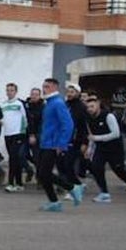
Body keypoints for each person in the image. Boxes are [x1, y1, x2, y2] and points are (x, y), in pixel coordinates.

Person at [36, 78, 84, 213]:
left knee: (44, 173)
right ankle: (54, 201)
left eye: (47, 86)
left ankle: (72, 187)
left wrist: (61, 144)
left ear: (54, 88)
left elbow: (68, 125)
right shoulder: (49, 103)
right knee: (41, 174)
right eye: (43, 86)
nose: (44, 89)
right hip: (46, 143)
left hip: (53, 144)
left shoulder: (57, 103)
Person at [82, 94, 126, 202]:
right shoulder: (89, 119)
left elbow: (115, 133)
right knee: (96, 167)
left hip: (115, 149)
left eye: (92, 106)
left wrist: (97, 138)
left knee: (119, 170)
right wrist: (89, 149)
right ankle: (104, 193)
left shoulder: (108, 116)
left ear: (98, 105)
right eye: (88, 107)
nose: (90, 109)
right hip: (101, 148)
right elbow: (91, 135)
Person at [0, 83, 28, 192]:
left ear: (15, 91)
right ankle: (19, 183)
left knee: (13, 159)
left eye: (11, 90)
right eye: (7, 90)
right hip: (8, 134)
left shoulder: (20, 104)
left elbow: (25, 118)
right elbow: (4, 119)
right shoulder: (3, 105)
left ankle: (11, 183)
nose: (9, 92)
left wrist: (23, 132)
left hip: (18, 134)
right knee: (14, 158)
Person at [65, 84, 90, 181]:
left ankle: (74, 185)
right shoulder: (65, 105)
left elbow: (85, 126)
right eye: (68, 92)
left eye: (72, 92)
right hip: (64, 139)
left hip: (76, 140)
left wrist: (85, 142)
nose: (69, 94)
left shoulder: (82, 107)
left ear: (77, 93)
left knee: (71, 164)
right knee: (63, 163)